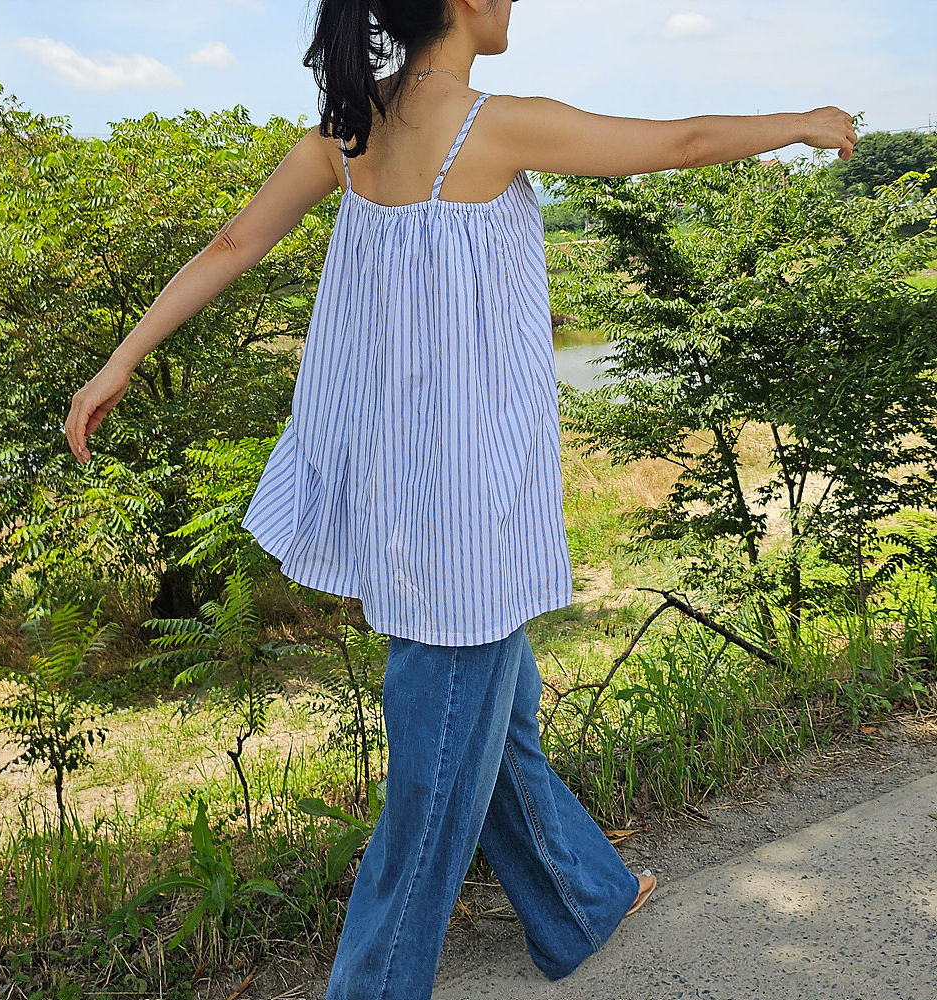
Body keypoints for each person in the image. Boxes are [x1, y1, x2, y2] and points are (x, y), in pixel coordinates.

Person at [64, 1, 857, 996]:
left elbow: (233, 243)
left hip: (400, 501)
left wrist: (121, 359)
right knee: (431, 794)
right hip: (471, 516)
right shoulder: (496, 126)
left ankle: (579, 899)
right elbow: (681, 143)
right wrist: (801, 122)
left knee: (498, 719)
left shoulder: (347, 134)